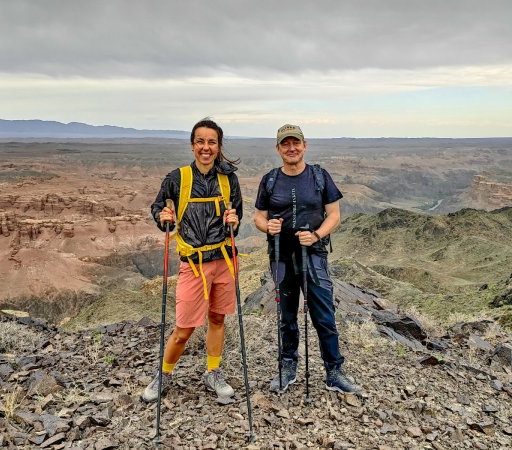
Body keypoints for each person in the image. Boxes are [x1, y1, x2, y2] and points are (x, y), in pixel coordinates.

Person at [253, 124, 362, 395]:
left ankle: (334, 371)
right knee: (286, 315)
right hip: (281, 255)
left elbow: (334, 215)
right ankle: (288, 366)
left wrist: (315, 236)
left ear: (305, 145)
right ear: (278, 149)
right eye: (285, 144)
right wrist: (267, 227)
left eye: (296, 143)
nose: (291, 148)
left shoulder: (319, 176)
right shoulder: (270, 179)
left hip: (313, 254)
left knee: (324, 314)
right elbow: (258, 216)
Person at [142, 118, 243, 402]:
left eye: (211, 142)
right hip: (193, 264)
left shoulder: (228, 179)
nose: (206, 147)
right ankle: (164, 374)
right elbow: (158, 206)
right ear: (192, 145)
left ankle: (213, 371)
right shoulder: (177, 178)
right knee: (184, 327)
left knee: (217, 318)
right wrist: (162, 218)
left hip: (224, 259)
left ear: (218, 146)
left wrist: (233, 222)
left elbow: (236, 219)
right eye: (200, 141)